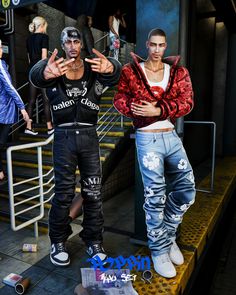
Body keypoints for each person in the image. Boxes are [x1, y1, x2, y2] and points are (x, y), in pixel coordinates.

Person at [30, 27, 121, 266]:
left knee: (93, 192)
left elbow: (114, 74)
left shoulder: (92, 69)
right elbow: (35, 75)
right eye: (67, 41)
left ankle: (93, 241)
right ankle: (58, 240)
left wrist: (112, 65)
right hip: (64, 137)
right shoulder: (55, 68)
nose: (72, 45)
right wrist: (43, 70)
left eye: (75, 41)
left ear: (81, 44)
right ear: (61, 44)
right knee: (63, 193)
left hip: (89, 136)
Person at [113, 28, 196, 278]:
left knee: (187, 189)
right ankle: (159, 249)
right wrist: (139, 111)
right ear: (147, 45)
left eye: (162, 45)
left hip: (170, 136)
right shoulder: (130, 71)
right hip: (147, 140)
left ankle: (167, 237)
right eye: (153, 45)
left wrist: (158, 110)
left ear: (165, 45)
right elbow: (119, 99)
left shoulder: (178, 72)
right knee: (155, 196)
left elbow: (188, 102)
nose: (158, 50)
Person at [0, 39, 29, 182]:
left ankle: (0, 172)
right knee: (1, 143)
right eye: (0, 47)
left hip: (2, 110)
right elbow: (10, 88)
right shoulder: (0, 65)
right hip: (3, 111)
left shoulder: (2, 64)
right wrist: (22, 108)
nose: (1, 49)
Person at [25, 16, 54, 136]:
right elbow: (43, 58)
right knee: (46, 99)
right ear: (42, 26)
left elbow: (28, 58)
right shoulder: (44, 37)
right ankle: (49, 127)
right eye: (45, 27)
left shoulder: (28, 39)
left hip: (31, 71)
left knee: (31, 100)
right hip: (40, 71)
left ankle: (28, 127)